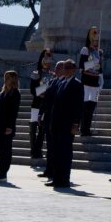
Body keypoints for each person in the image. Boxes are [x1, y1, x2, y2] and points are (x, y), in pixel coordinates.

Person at [43, 57, 84, 188]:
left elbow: (78, 106)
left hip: (67, 125)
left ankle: (64, 179)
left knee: (65, 153)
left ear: (73, 70)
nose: (64, 70)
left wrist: (76, 124)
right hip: (56, 124)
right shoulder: (61, 83)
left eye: (67, 68)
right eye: (64, 68)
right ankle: (56, 177)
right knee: (56, 152)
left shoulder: (77, 84)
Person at [0, 68, 20, 182]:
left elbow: (14, 112)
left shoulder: (15, 93)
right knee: (1, 151)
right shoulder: (3, 92)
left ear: (13, 80)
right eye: (5, 77)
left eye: (7, 78)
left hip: (7, 126)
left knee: (6, 151)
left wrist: (10, 127)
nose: (5, 79)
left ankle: (3, 174)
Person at [79, 27, 104, 136]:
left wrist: (101, 79)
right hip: (86, 82)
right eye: (94, 40)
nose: (96, 42)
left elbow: (100, 68)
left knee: (92, 106)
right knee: (85, 107)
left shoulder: (99, 52)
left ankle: (87, 128)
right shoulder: (85, 50)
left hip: (95, 82)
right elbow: (82, 67)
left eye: (97, 40)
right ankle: (83, 128)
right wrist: (93, 62)